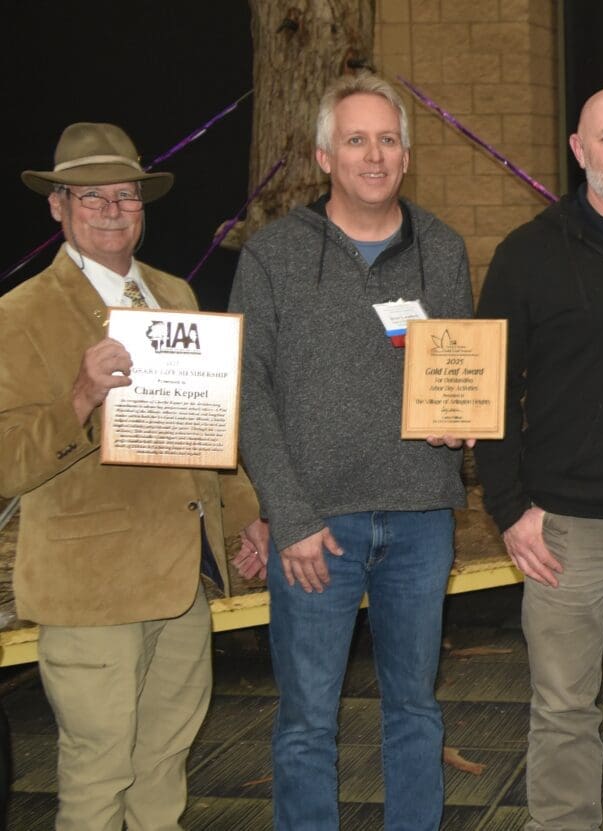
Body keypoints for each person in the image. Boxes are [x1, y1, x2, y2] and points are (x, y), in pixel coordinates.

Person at [1, 121, 266, 830]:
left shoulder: (176, 295)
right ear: (57, 206)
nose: (114, 209)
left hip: (182, 580)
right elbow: (5, 461)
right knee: (97, 772)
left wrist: (245, 515)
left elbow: (207, 427)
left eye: (126, 195)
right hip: (90, 588)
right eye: (92, 197)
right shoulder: (19, 315)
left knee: (162, 771)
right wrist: (81, 401)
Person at [231, 72, 475, 830]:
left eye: (389, 139)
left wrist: (462, 419)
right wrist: (290, 514)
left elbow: (461, 370)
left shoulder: (443, 247)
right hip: (315, 527)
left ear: (407, 153)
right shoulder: (271, 255)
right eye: (357, 140)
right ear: (323, 155)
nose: (375, 155)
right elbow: (249, 393)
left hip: (420, 519)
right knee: (307, 719)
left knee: (416, 709)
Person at [474, 85, 603, 831]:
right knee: (563, 706)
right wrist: (509, 509)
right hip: (566, 525)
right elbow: (489, 388)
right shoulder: (529, 253)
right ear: (578, 149)